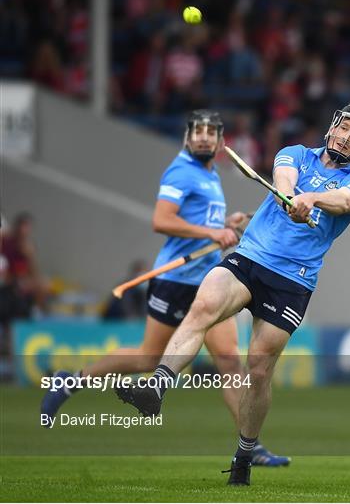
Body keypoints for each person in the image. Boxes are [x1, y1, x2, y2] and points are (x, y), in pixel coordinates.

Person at [116, 103, 350, 485]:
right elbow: (283, 179)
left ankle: (244, 453)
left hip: (292, 281)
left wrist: (315, 200)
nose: (347, 137)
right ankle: (157, 385)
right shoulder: (296, 155)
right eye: (346, 128)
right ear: (333, 127)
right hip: (250, 259)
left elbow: (348, 202)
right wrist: (293, 197)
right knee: (202, 307)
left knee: (258, 370)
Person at [41, 109, 290, 467]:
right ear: (187, 137)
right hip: (175, 281)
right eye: (198, 131)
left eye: (211, 132)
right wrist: (211, 233)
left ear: (220, 141)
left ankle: (250, 447)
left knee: (229, 361)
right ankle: (71, 380)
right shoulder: (181, 171)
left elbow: (199, 221)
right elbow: (162, 220)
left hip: (210, 280)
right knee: (148, 359)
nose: (204, 137)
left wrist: (224, 223)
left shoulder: (210, 173)